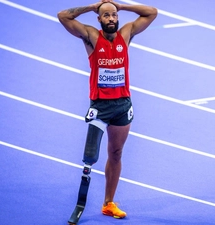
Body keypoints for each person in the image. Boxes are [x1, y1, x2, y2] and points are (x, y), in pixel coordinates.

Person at [57, 0, 157, 223]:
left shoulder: (126, 33)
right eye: (106, 16)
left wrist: (120, 5)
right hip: (100, 107)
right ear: (99, 19)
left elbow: (152, 12)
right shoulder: (92, 37)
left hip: (122, 105)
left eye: (114, 15)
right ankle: (80, 202)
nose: (111, 19)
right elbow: (63, 16)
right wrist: (91, 7)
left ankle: (108, 203)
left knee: (116, 153)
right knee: (89, 157)